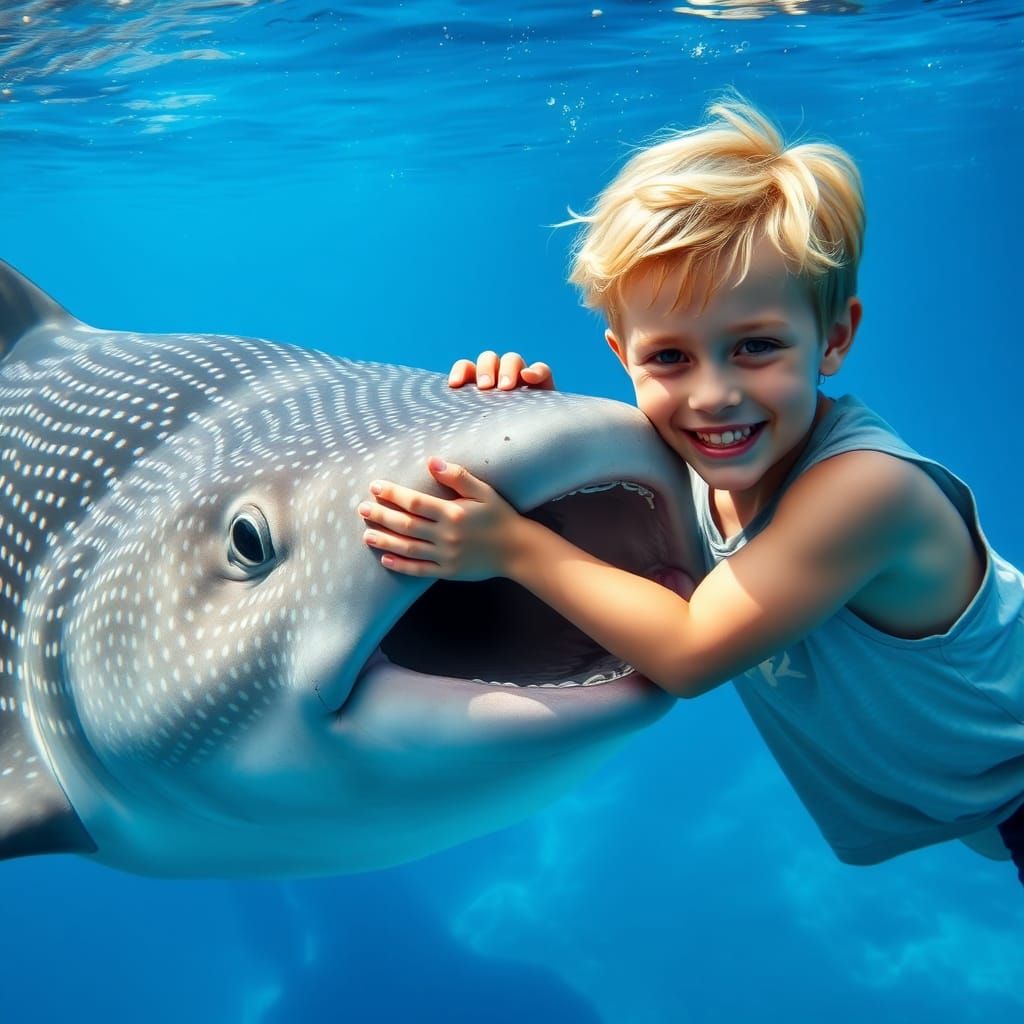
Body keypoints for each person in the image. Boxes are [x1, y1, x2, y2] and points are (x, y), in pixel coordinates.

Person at [356, 95, 1024, 884]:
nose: (713, 396)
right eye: (670, 358)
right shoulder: (704, 465)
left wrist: (512, 544)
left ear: (835, 337)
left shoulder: (866, 494)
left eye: (757, 347)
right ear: (622, 355)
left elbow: (690, 652)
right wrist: (517, 430)